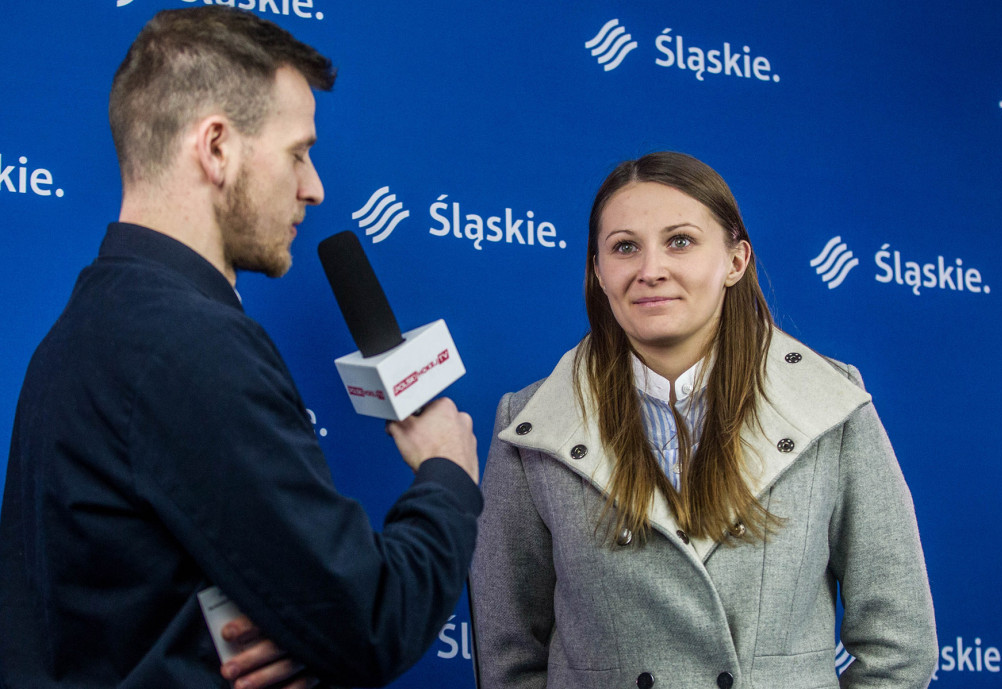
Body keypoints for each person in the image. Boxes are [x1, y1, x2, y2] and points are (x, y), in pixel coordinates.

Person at [0, 7, 481, 689]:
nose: (314, 187)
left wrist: (290, 628)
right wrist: (447, 474)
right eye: (298, 152)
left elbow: (124, 604)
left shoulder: (83, 329)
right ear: (217, 148)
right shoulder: (189, 344)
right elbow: (372, 621)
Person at [470, 151, 937, 688]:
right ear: (598, 271)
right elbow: (508, 657)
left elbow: (899, 643)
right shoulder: (529, 425)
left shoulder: (832, 405)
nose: (650, 270)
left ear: (736, 261)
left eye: (680, 241)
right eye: (625, 247)